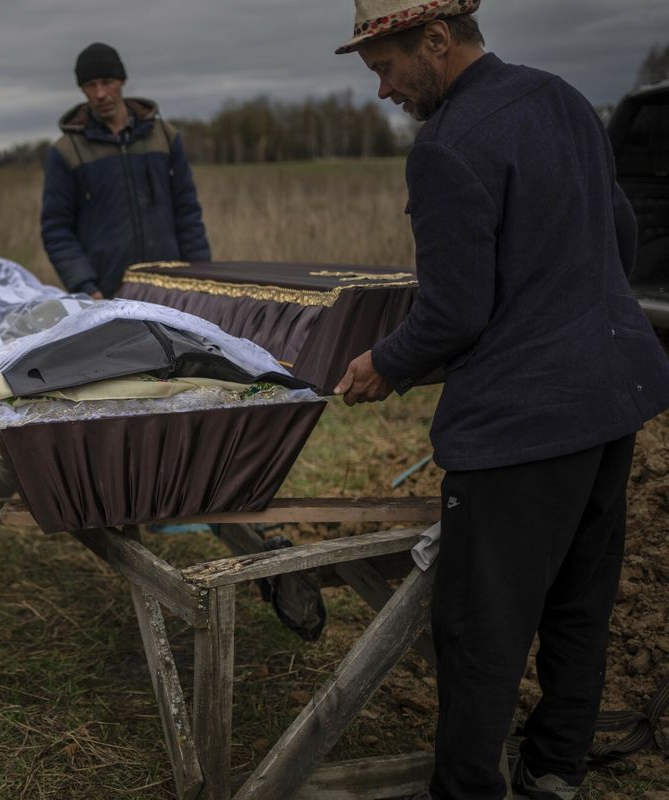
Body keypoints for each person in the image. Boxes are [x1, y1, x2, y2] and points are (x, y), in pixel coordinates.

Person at [332, 2, 669, 798]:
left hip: (523, 431)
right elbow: (617, 232)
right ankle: (554, 770)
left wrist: (385, 362)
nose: (382, 91)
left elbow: (453, 313)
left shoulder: (446, 149)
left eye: (385, 68)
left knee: (480, 632)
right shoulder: (561, 98)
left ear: (438, 40)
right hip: (609, 402)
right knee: (579, 603)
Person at [41, 42, 211, 299]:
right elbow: (56, 228)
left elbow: (187, 212)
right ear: (82, 90)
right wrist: (86, 287)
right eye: (91, 85)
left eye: (107, 82)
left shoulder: (165, 137)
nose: (100, 93)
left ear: (122, 81)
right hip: (108, 295)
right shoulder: (67, 151)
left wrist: (201, 278)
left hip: (173, 290)